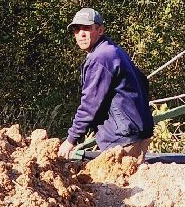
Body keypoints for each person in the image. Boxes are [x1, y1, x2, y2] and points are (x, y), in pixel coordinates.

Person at [58, 8, 154, 160]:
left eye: (87, 28)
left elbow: (89, 104)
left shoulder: (101, 58)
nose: (81, 34)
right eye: (76, 30)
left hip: (122, 141)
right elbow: (143, 81)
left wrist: (71, 139)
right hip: (136, 135)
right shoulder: (113, 51)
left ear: (100, 30)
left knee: (116, 183)